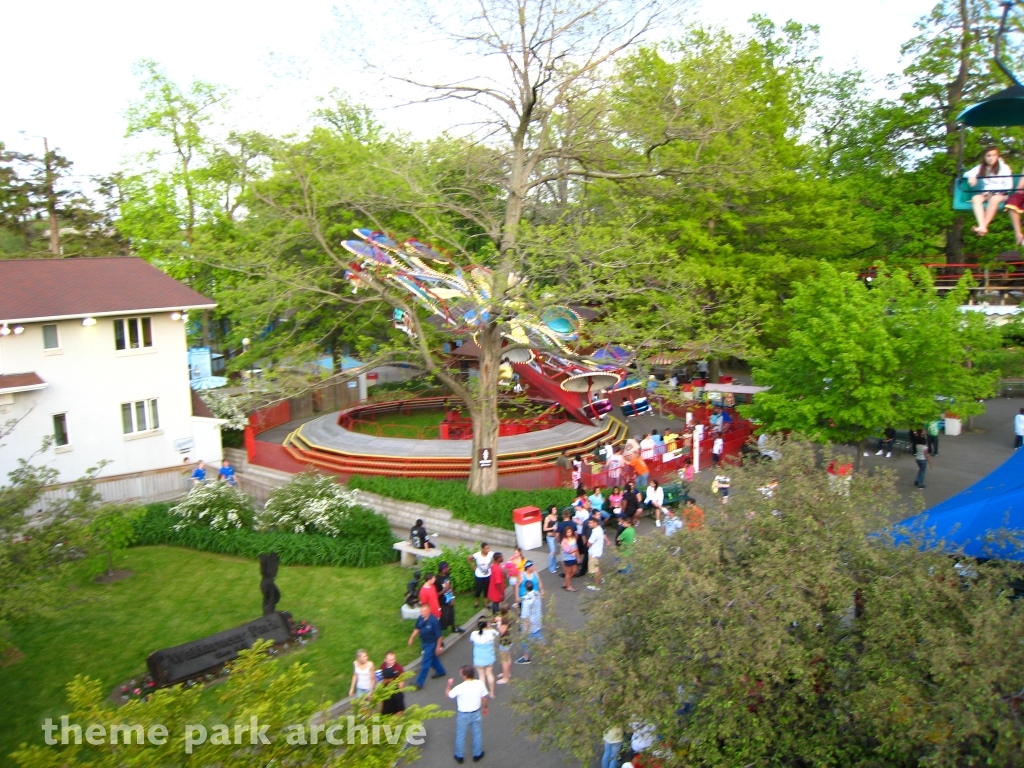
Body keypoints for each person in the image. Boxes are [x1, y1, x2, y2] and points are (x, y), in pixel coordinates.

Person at [965, 146, 1013, 236]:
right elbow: (967, 173)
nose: (991, 158)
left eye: (994, 155)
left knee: (994, 199)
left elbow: (1009, 186)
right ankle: (982, 226)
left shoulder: (1004, 168)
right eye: (988, 156)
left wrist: (995, 191)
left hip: (1001, 193)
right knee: (976, 198)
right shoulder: (982, 167)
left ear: (997, 156)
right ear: (984, 157)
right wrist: (972, 177)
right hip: (987, 192)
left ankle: (983, 226)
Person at [446, 666, 489, 764]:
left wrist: (448, 685)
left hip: (463, 715)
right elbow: (484, 698)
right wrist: (485, 707)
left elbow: (449, 695)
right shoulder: (479, 683)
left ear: (464, 675)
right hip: (476, 712)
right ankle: (477, 754)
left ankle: (459, 756)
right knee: (477, 733)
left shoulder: (460, 687)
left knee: (460, 735)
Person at [408, 603, 445, 690]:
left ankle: (419, 683)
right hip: (424, 642)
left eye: (424, 611)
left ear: (429, 611)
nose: (422, 613)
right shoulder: (420, 618)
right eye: (421, 611)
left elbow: (439, 636)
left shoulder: (434, 621)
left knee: (425, 663)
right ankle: (441, 671)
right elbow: (417, 628)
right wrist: (411, 638)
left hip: (431, 644)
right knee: (432, 658)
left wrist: (438, 646)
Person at [470, 619, 499, 698]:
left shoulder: (474, 634)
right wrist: (490, 628)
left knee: (481, 676)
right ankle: (492, 693)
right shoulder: (491, 633)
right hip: (489, 657)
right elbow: (497, 633)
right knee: (489, 674)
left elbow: (471, 641)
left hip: (479, 659)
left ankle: (483, 694)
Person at [516, 580, 544, 663]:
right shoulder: (537, 594)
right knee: (538, 636)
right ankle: (547, 651)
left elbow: (525, 616)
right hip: (537, 621)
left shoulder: (526, 602)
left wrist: (524, 630)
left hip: (529, 625)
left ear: (525, 588)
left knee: (525, 641)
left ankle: (526, 657)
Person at [437, 562, 464, 634]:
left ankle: (454, 628)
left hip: (449, 599)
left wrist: (453, 597)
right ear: (443, 569)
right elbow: (436, 594)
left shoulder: (447, 575)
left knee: (452, 615)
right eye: (447, 567)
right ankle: (439, 636)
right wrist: (445, 590)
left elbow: (450, 586)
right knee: (444, 619)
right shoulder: (437, 580)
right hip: (443, 602)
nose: (449, 568)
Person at [586, 517, 612, 590]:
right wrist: (607, 541)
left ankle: (596, 585)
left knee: (595, 570)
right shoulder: (599, 528)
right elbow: (604, 535)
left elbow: (589, 543)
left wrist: (587, 544)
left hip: (593, 553)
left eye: (590, 523)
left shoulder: (594, 532)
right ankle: (601, 579)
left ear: (595, 523)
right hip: (598, 552)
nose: (589, 524)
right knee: (597, 567)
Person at [378, 651, 406, 715]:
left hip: (395, 690)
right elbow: (381, 679)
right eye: (390, 660)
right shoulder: (383, 666)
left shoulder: (398, 668)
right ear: (385, 660)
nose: (392, 661)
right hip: (386, 691)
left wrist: (400, 690)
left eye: (393, 659)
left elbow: (402, 680)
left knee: (398, 708)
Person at [495, 605, 516, 685]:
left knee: (504, 660)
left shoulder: (504, 620)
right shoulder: (508, 617)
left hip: (504, 641)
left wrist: (498, 623)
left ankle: (505, 678)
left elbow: (502, 631)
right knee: (508, 657)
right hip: (509, 640)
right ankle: (507, 673)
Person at [468, 543, 494, 610]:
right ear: (482, 549)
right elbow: (469, 558)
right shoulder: (477, 555)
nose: (488, 550)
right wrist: (473, 567)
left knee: (486, 589)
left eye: (489, 548)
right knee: (478, 589)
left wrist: (492, 564)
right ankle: (476, 602)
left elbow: (496, 557)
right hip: (479, 575)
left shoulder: (491, 554)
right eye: (486, 549)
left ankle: (485, 603)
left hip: (487, 574)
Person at [561, 527, 580, 592]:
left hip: (573, 557)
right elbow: (568, 551)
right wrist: (576, 550)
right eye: (567, 532)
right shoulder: (564, 540)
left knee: (574, 571)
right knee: (568, 572)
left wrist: (578, 557)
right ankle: (568, 586)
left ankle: (566, 582)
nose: (569, 533)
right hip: (567, 558)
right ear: (565, 533)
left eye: (570, 532)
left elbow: (576, 547)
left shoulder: (573, 538)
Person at [543, 506, 559, 574]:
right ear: (551, 510)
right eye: (554, 509)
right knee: (552, 552)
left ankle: (554, 564)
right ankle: (551, 567)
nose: (555, 510)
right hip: (550, 537)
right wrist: (552, 528)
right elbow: (544, 529)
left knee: (555, 551)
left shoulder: (556, 516)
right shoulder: (547, 518)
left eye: (555, 509)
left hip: (555, 536)